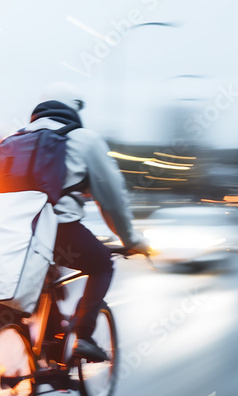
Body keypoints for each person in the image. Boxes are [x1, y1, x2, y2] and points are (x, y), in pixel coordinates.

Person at [24, 82, 150, 362]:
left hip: (15, 234)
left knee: (46, 276)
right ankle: (84, 335)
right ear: (73, 109)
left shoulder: (16, 136)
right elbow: (112, 198)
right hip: (60, 231)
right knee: (102, 264)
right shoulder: (84, 140)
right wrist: (131, 240)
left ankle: (44, 345)